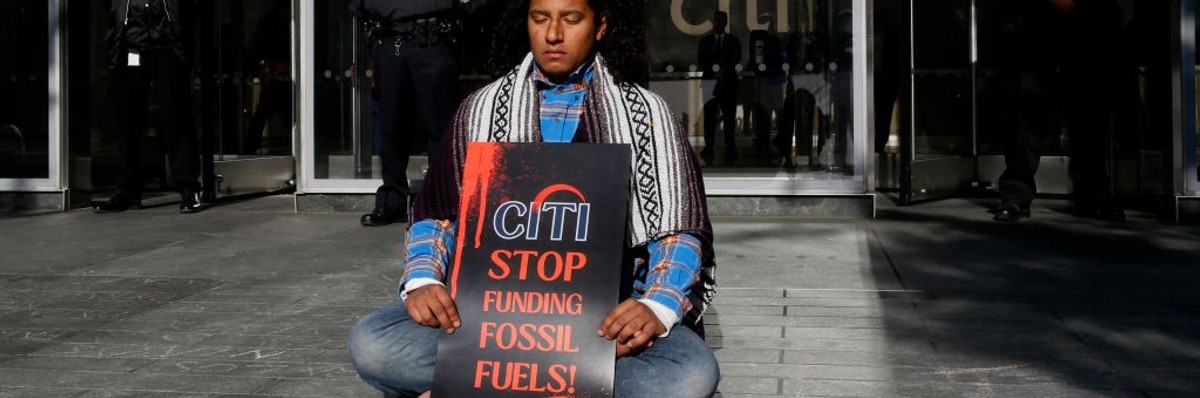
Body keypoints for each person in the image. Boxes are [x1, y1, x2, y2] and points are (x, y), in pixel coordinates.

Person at [347, 0, 721, 396]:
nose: (553, 34)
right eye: (540, 18)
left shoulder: (647, 114)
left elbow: (677, 231)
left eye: (571, 19)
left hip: (606, 327)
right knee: (373, 343)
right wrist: (422, 280)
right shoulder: (480, 110)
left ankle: (486, 386)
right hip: (494, 324)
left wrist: (654, 307)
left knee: (690, 374)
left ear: (600, 26)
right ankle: (563, 382)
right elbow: (439, 214)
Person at [351, 0, 465, 226]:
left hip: (432, 40)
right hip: (389, 40)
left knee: (439, 127)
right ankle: (392, 202)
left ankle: (440, 202)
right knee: (392, 126)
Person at [95, 0, 204, 214]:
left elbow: (193, 8)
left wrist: (179, 25)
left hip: (168, 43)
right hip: (129, 43)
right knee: (128, 121)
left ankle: (188, 188)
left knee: (176, 117)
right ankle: (128, 190)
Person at [243, 0, 292, 156]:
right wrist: (267, 67)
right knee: (266, 113)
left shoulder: (284, 23)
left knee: (278, 114)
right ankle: (249, 148)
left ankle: (249, 147)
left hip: (283, 78)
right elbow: (256, 48)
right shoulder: (270, 23)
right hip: (275, 79)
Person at [697, 10, 741, 165]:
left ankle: (731, 146)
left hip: (728, 82)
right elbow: (701, 60)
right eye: (716, 20)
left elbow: (737, 58)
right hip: (710, 81)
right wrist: (713, 71)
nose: (719, 23)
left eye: (721, 20)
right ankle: (708, 147)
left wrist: (723, 71)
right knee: (709, 117)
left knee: (729, 117)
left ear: (726, 22)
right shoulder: (705, 41)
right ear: (713, 22)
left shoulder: (733, 40)